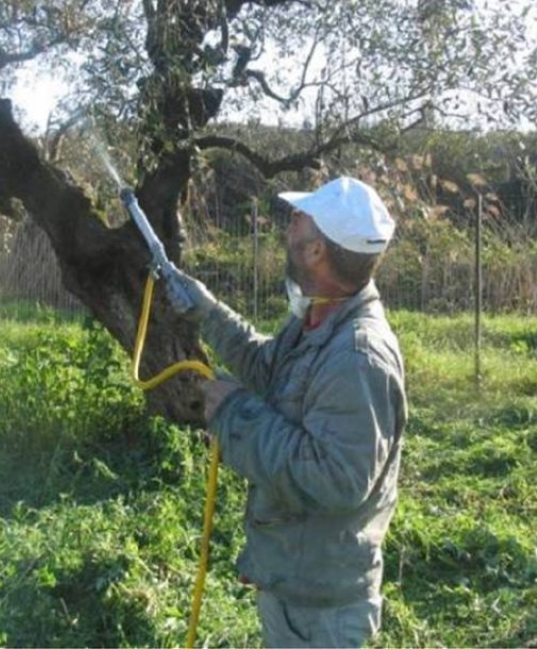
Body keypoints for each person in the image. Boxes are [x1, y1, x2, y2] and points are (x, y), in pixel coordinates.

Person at [165, 176, 407, 648]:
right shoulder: (317, 319)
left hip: (324, 615)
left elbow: (335, 478)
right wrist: (206, 311)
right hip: (297, 587)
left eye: (299, 218)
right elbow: (268, 367)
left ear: (317, 250)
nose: (289, 225)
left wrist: (234, 415)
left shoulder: (358, 357)